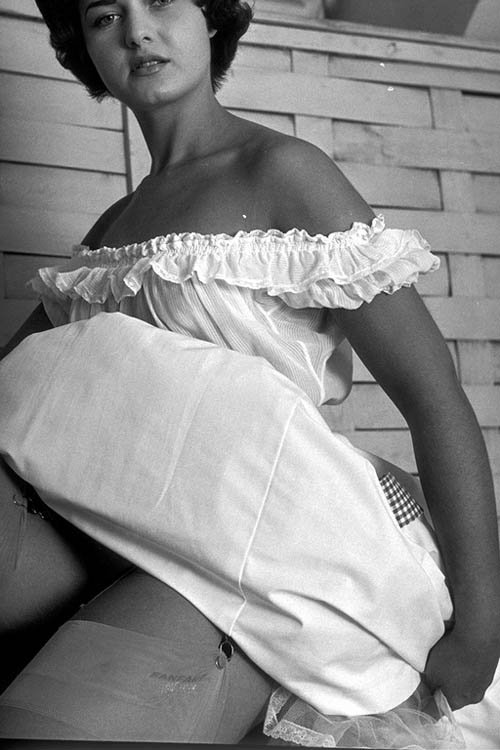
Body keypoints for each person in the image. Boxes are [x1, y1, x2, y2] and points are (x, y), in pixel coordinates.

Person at [0, 0, 499, 746]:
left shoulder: (284, 173)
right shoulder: (110, 231)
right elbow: (18, 383)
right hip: (113, 528)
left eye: (161, 0)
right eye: (105, 16)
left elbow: (435, 399)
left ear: (211, 16)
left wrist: (483, 626)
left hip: (260, 549)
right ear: (84, 48)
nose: (137, 30)